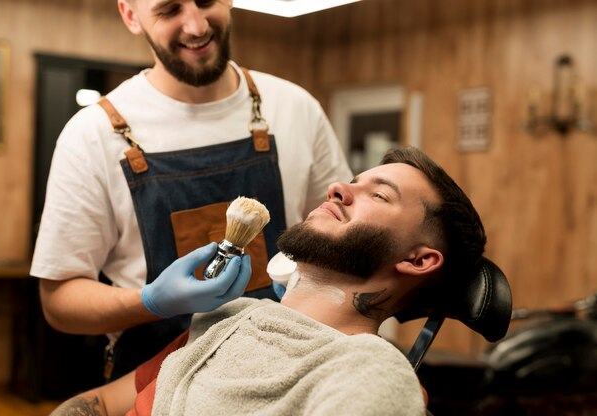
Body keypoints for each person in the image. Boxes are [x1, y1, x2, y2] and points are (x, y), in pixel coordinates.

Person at [30, 0, 352, 380]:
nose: (197, 26)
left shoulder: (296, 109)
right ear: (131, 15)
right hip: (154, 386)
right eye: (170, 10)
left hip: (289, 375)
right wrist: (151, 301)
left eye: (205, 2)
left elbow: (344, 242)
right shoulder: (91, 135)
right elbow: (59, 301)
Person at [48, 147, 487, 416]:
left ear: (420, 259)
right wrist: (150, 301)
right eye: (353, 180)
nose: (337, 188)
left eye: (378, 194)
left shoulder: (368, 373)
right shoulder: (227, 317)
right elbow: (100, 405)